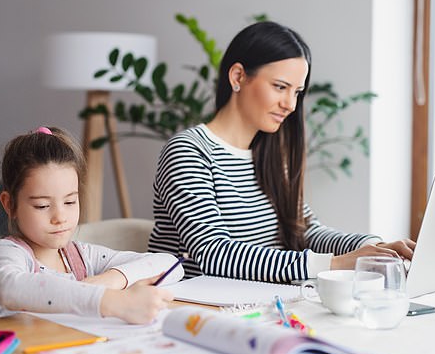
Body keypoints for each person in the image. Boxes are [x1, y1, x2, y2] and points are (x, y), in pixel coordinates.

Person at [149, 21, 415, 282]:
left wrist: (376, 248)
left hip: (263, 303)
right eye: (280, 87)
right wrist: (334, 264)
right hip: (195, 309)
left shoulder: (270, 155)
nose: (290, 104)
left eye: (297, 91)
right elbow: (214, 253)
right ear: (238, 76)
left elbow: (305, 230)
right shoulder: (189, 151)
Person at [0, 126, 183, 324]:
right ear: (10, 204)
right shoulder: (6, 254)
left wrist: (111, 280)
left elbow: (169, 264)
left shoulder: (80, 257)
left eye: (69, 202)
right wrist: (112, 301)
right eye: (42, 205)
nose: (60, 217)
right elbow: (11, 288)